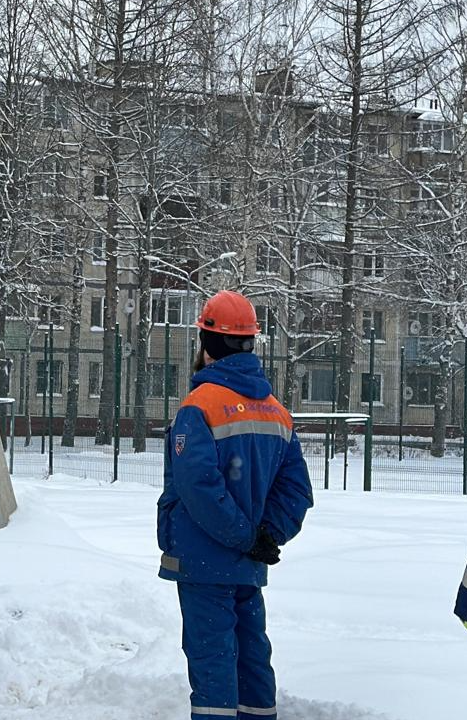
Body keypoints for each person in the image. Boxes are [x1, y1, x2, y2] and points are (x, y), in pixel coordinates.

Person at [158, 290, 313, 720]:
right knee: (251, 655)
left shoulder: (199, 407)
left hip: (205, 560)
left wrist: (245, 537)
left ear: (207, 344)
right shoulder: (276, 412)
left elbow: (198, 487)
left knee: (212, 661)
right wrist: (266, 537)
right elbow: (296, 489)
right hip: (248, 562)